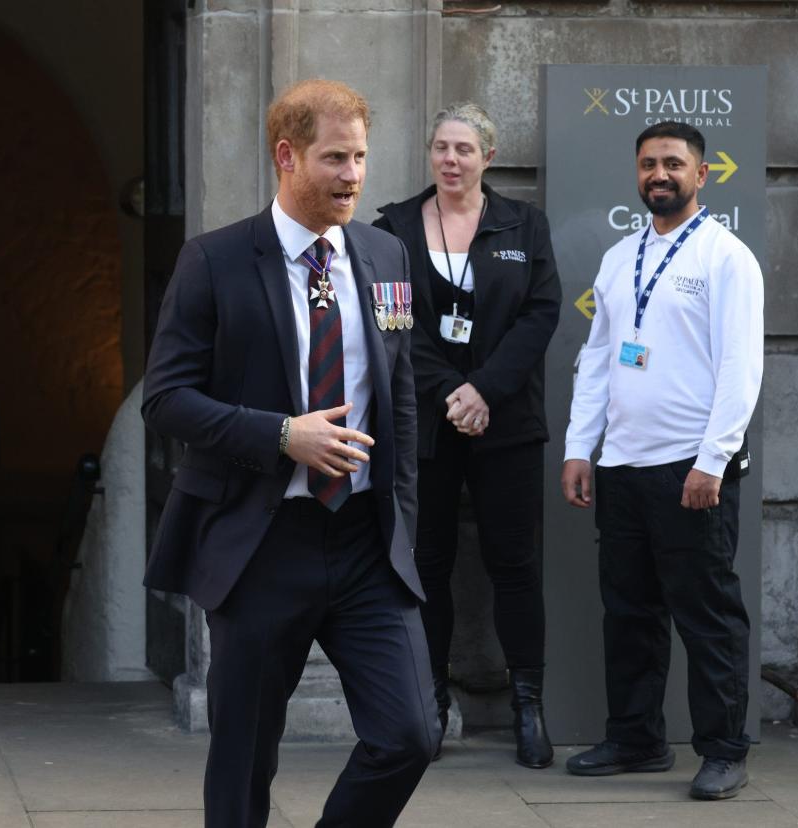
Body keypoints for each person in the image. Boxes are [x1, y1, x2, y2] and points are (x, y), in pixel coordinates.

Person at [142, 78, 437, 828]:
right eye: (335, 158)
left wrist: (400, 515)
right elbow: (166, 399)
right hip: (262, 540)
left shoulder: (385, 254)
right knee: (244, 761)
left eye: (361, 158)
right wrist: (281, 434)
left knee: (409, 735)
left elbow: (399, 393)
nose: (353, 176)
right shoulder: (214, 262)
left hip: (367, 541)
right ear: (287, 157)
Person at [561, 121, 763, 800]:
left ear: (701, 175)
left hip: (691, 471)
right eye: (649, 164)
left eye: (673, 164)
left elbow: (741, 368)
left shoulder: (726, 257)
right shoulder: (621, 258)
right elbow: (596, 360)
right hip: (620, 466)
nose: (659, 175)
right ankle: (637, 738)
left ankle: (725, 750)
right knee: (630, 612)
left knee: (706, 615)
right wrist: (578, 448)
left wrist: (714, 460)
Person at [373, 101, 561, 766]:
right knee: (426, 567)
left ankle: (529, 707)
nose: (451, 160)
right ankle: (429, 706)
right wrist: (451, 392)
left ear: (488, 156)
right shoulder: (392, 229)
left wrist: (486, 389)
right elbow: (391, 324)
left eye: (464, 149)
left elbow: (540, 315)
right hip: (424, 425)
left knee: (515, 565)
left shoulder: (523, 224)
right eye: (441, 147)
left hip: (505, 422)